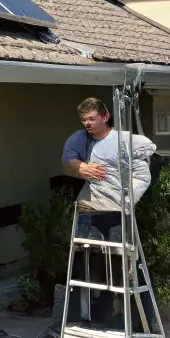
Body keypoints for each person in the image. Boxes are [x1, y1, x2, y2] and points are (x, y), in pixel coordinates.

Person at [61, 96, 157, 241]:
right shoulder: (79, 138)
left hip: (116, 210)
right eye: (83, 120)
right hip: (89, 210)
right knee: (88, 254)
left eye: (91, 119)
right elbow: (67, 164)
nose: (87, 123)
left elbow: (142, 177)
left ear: (105, 117)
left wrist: (126, 202)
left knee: (117, 256)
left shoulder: (124, 140)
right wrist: (79, 168)